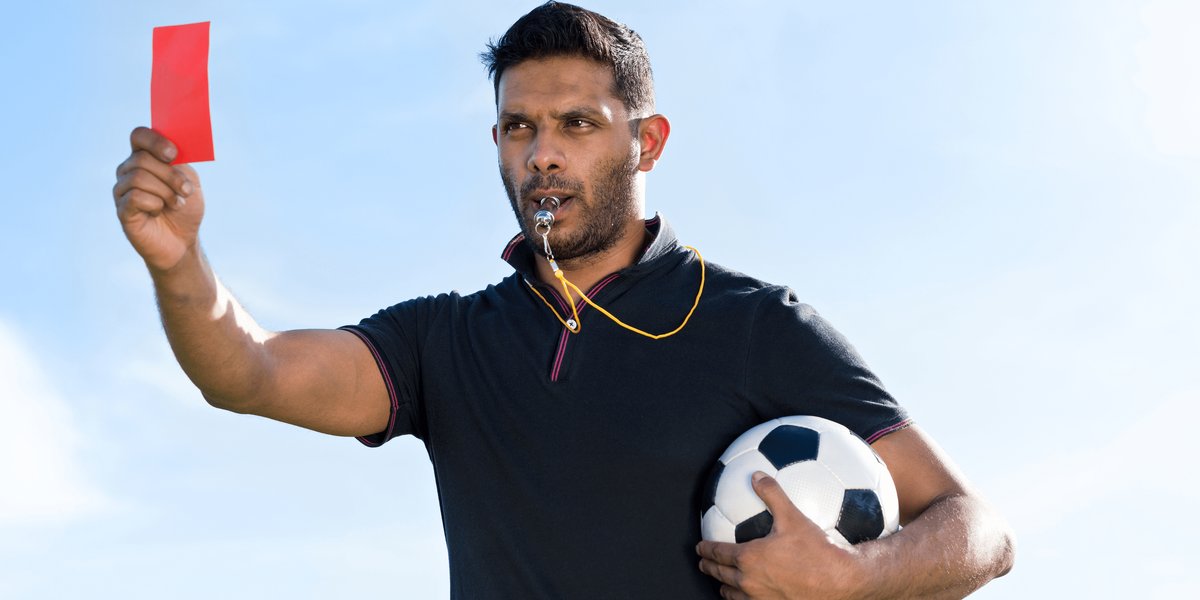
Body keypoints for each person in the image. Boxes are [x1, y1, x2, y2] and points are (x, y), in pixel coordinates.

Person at [111, 2, 1014, 598]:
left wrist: (856, 579)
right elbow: (249, 372)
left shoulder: (754, 324)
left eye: (577, 124)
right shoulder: (444, 341)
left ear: (646, 142)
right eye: (519, 127)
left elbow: (976, 528)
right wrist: (180, 264)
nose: (542, 153)